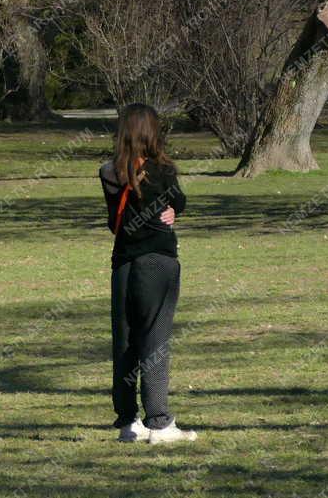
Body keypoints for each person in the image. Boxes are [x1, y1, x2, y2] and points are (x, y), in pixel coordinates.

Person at [99, 103, 197, 444]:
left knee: (125, 341)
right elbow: (180, 201)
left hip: (123, 263)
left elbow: (115, 221)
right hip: (158, 260)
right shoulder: (163, 168)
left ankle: (128, 422)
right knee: (155, 340)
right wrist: (172, 210)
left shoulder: (109, 171)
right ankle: (159, 422)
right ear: (152, 133)